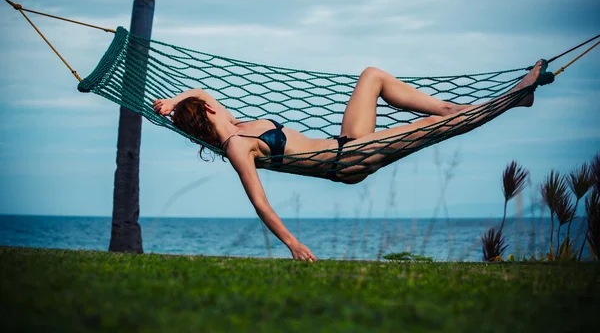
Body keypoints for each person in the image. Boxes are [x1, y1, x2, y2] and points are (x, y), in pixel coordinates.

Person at [153, 61, 542, 261]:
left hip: (346, 143)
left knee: (372, 76)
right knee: (433, 126)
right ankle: (512, 99)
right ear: (206, 111)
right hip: (350, 160)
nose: (210, 101)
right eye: (206, 104)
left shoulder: (235, 124)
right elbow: (259, 202)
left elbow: (201, 90)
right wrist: (292, 243)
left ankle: (475, 105)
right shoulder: (238, 146)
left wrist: (172, 102)